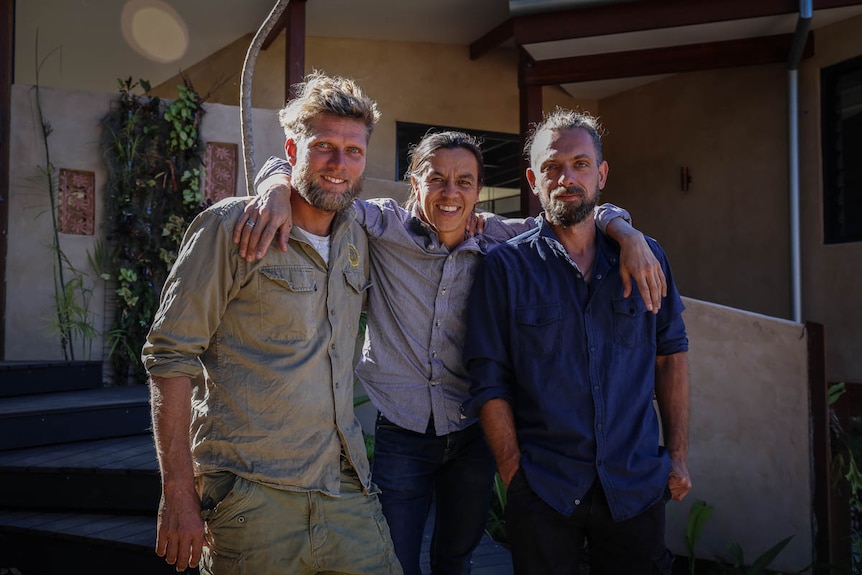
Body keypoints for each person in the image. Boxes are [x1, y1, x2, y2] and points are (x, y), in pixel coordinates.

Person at [233, 127, 666, 574]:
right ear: (414, 183)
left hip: (472, 433)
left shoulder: (502, 240)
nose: (449, 193)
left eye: (464, 182)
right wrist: (274, 188)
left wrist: (625, 232)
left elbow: (577, 210)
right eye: (436, 179)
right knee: (394, 558)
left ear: (479, 190)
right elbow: (320, 183)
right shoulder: (383, 226)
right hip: (402, 431)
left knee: (455, 558)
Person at [141, 71, 403, 575]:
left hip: (344, 488)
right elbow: (169, 354)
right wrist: (177, 492)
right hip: (252, 499)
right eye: (323, 146)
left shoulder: (360, 235)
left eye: (353, 151)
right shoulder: (230, 227)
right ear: (292, 148)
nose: (338, 164)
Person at [463, 108, 692, 575]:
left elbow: (670, 358)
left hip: (635, 483)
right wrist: (514, 473)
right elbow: (489, 379)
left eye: (580, 164)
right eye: (551, 167)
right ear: (532, 179)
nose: (566, 177)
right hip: (545, 488)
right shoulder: (504, 268)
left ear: (601, 173)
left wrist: (678, 456)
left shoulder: (648, 259)